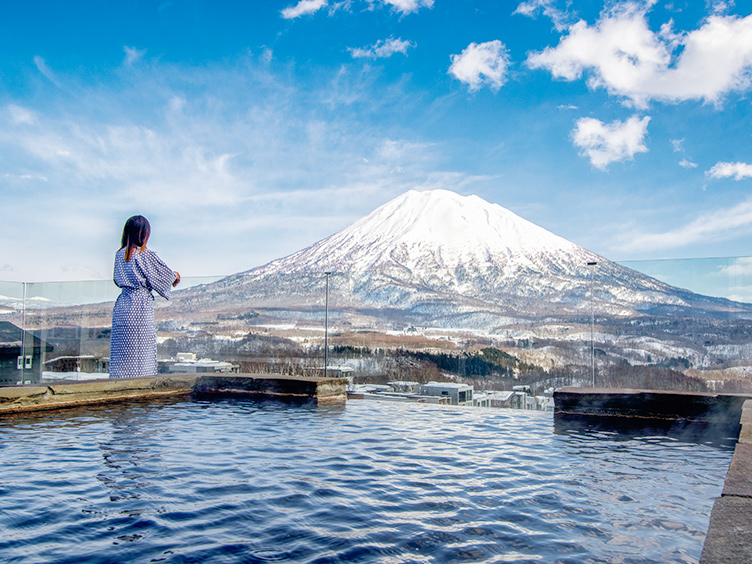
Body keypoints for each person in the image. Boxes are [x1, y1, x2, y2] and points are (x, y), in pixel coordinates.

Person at [110, 215, 180, 378]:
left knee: (122, 351)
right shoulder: (144, 255)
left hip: (122, 305)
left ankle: (120, 381)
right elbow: (166, 275)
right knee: (140, 350)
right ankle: (141, 381)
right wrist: (176, 275)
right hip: (139, 306)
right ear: (144, 234)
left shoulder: (119, 255)